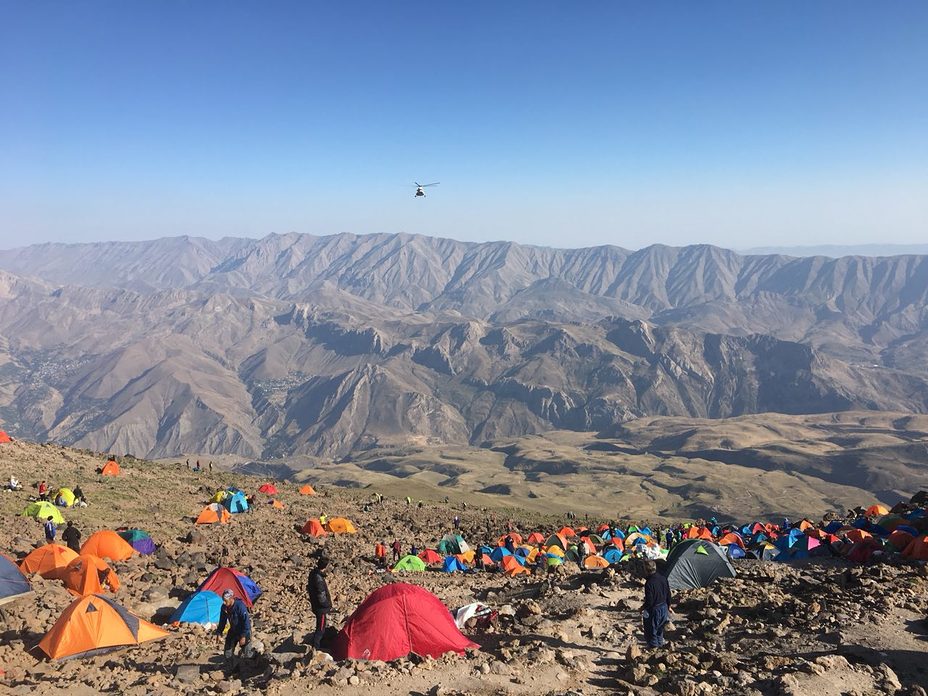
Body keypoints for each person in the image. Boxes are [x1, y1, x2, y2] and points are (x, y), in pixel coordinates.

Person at [216, 589, 252, 673]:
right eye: (223, 600)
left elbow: (246, 622)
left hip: (243, 630)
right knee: (227, 652)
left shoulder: (240, 606)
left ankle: (249, 671)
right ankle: (231, 669)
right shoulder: (224, 607)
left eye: (226, 600)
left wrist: (243, 636)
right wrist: (219, 633)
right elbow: (222, 621)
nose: (224, 603)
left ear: (231, 598)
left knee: (247, 653)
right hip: (233, 630)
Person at [642, 560, 672, 648]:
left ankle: (653, 649)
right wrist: (669, 605)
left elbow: (649, 601)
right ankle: (660, 647)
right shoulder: (663, 578)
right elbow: (668, 593)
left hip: (655, 609)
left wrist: (643, 608)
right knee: (660, 630)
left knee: (651, 631)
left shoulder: (649, 583)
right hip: (664, 607)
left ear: (646, 570)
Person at [307, 556, 333, 650]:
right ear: (325, 566)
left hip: (316, 606)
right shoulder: (318, 579)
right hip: (320, 609)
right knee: (321, 629)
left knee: (320, 627)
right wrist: (327, 605)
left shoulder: (313, 574)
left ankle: (318, 646)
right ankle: (316, 648)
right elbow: (321, 596)